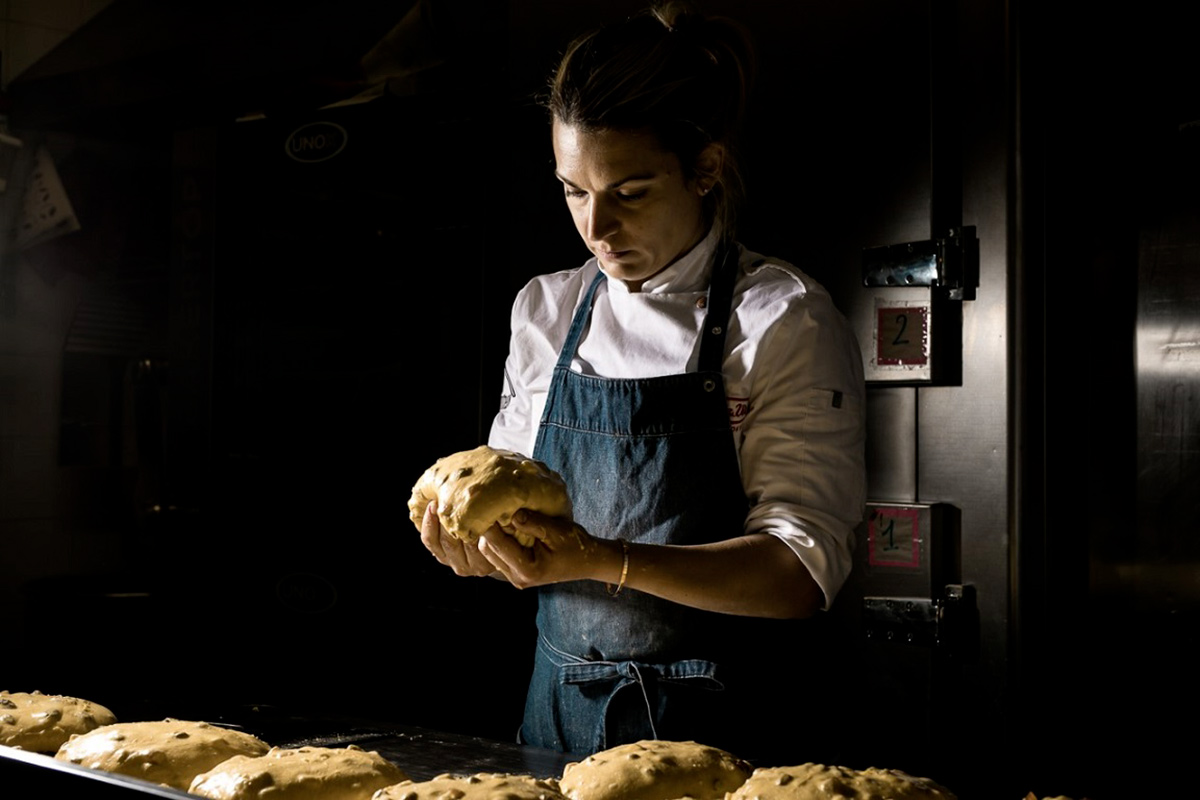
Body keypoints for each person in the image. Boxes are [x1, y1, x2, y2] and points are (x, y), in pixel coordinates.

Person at [417, 2, 865, 761]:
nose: (597, 226)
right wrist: (477, 545)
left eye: (629, 192)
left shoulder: (780, 319)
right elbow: (514, 507)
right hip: (554, 721)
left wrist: (601, 558)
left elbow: (799, 573)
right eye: (572, 190)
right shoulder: (548, 309)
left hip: (721, 736)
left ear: (705, 170)